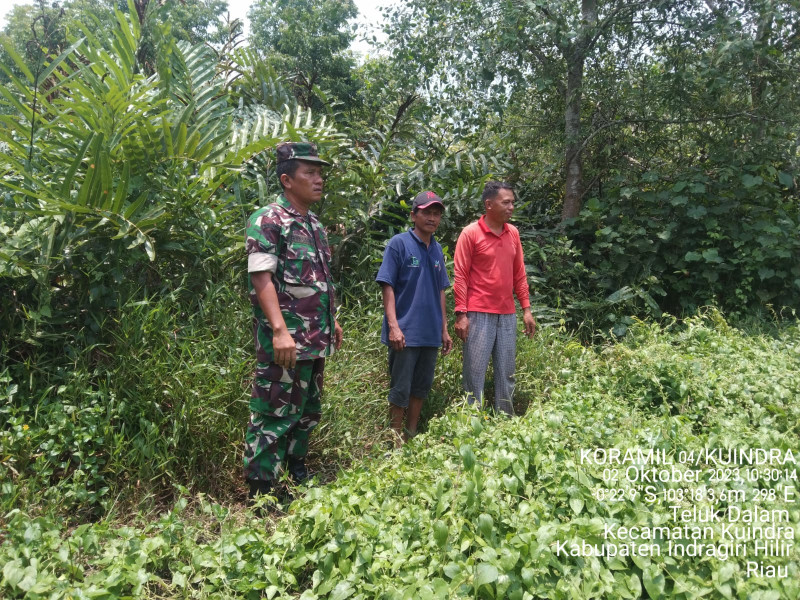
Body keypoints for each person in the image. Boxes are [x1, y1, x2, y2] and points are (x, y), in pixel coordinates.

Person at [243, 141, 343, 501]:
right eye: (310, 173)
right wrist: (280, 331)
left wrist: (333, 322)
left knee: (306, 411)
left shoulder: (314, 224)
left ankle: (295, 470)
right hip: (286, 341)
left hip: (316, 337)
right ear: (287, 179)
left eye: (320, 173)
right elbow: (261, 279)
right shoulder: (269, 220)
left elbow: (318, 279)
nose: (319, 179)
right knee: (274, 412)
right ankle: (262, 490)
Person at [376, 191, 453, 444]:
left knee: (421, 387)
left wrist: (444, 328)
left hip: (430, 332)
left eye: (436, 213)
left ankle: (411, 433)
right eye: (427, 212)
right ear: (414, 215)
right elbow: (387, 285)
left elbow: (440, 290)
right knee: (400, 389)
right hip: (405, 332)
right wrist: (393, 327)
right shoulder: (399, 243)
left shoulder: (437, 249)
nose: (432, 218)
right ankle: (395, 439)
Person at [453, 181, 536, 415]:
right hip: (478, 314)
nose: (511, 207)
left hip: (508, 315)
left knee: (507, 373)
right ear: (489, 204)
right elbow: (460, 275)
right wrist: (461, 313)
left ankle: (505, 422)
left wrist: (526, 310)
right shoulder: (470, 233)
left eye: (512, 202)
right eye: (506, 202)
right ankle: (471, 423)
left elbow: (519, 273)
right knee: (474, 374)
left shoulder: (513, 233)